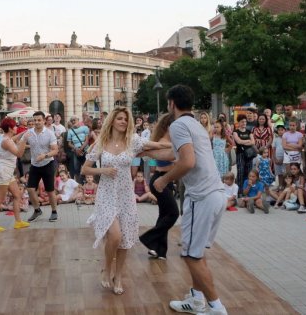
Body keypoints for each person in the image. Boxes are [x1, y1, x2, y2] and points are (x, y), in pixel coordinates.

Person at [152, 85, 228, 315]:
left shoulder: (178, 125)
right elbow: (178, 155)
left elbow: (187, 162)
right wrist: (146, 152)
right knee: (197, 253)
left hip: (201, 198)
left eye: (168, 103)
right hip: (216, 195)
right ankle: (196, 300)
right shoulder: (195, 125)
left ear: (172, 103)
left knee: (190, 256)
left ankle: (216, 307)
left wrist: (164, 180)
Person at [80, 106, 169, 296]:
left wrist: (178, 143)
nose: (123, 122)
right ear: (112, 121)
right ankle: (106, 269)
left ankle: (118, 276)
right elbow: (85, 169)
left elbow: (155, 145)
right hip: (106, 195)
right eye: (120, 118)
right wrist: (102, 170)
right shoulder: (101, 143)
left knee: (125, 239)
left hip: (126, 196)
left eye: (125, 119)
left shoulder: (133, 141)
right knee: (115, 236)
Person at [139, 112, 178, 260]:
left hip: (167, 181)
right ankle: (149, 238)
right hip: (159, 180)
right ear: (168, 127)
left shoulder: (171, 141)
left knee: (164, 215)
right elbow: (169, 158)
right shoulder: (162, 141)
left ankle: (158, 250)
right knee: (173, 213)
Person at [0, 118, 31, 232]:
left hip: (7, 171)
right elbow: (19, 153)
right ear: (10, 128)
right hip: (4, 171)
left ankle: (18, 222)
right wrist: (24, 139)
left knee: (17, 195)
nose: (16, 127)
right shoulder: (6, 141)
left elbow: (14, 138)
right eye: (15, 126)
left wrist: (23, 132)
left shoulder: (7, 138)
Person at [25, 111, 59, 222]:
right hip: (34, 164)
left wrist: (45, 155)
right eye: (35, 120)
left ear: (44, 120)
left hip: (47, 164)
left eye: (39, 120)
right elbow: (19, 141)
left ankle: (54, 212)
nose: (37, 122)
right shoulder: (29, 133)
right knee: (30, 189)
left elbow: (55, 150)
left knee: (50, 190)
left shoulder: (49, 133)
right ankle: (37, 210)